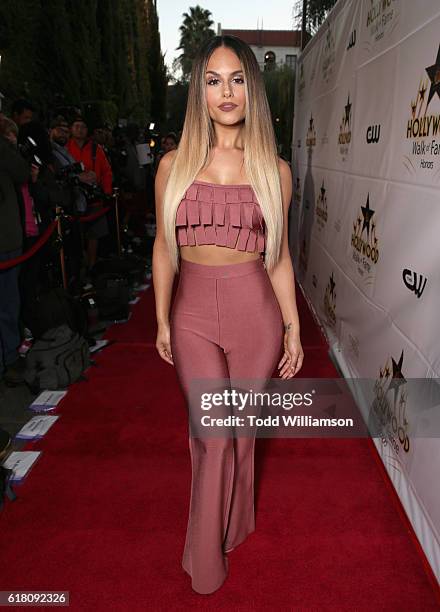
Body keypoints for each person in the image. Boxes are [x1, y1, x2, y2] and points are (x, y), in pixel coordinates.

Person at [152, 35, 304, 594]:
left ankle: (237, 522)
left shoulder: (276, 171)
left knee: (241, 431)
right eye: (213, 80)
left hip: (255, 313)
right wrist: (164, 319)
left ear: (252, 90)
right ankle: (204, 560)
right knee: (213, 432)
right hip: (192, 312)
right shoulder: (173, 166)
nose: (226, 91)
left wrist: (291, 325)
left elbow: (281, 256)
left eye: (237, 78)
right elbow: (165, 249)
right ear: (199, 91)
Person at [0, 118, 30, 384]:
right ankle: (8, 358)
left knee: (9, 303)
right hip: (6, 241)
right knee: (7, 304)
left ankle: (9, 357)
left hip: (8, 239)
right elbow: (22, 173)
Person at [67, 116, 113, 271]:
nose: (79, 129)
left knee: (94, 234)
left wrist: (106, 191)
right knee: (76, 235)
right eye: (76, 126)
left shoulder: (95, 148)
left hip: (94, 197)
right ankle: (79, 266)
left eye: (83, 127)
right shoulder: (65, 147)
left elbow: (106, 171)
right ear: (71, 129)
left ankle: (92, 265)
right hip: (73, 198)